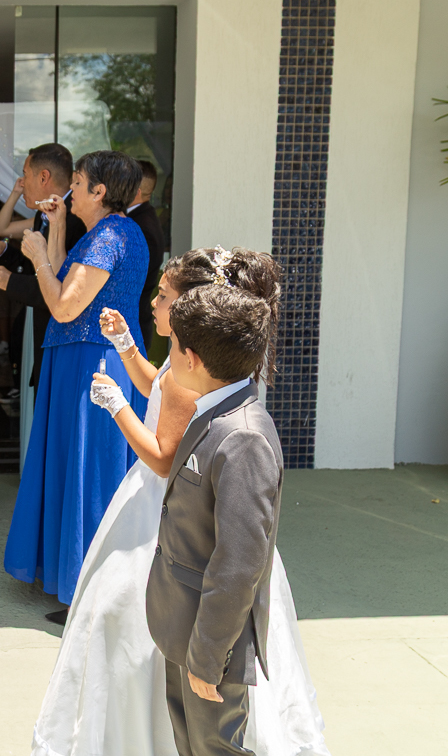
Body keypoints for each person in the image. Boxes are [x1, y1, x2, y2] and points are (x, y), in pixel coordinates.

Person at [31, 248, 329, 756]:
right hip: (177, 540)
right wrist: (128, 350)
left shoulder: (238, 432)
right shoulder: (196, 362)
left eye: (164, 296)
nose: (154, 302)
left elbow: (170, 465)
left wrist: (118, 407)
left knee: (202, 715)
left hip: (186, 539)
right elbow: (163, 387)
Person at [146, 278, 292, 756]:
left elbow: (239, 565)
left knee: (214, 747)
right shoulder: (214, 412)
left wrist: (207, 658)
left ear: (192, 359)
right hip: (181, 622)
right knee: (190, 745)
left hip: (211, 643)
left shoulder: (242, 437)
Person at [2, 150, 148, 621]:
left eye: (79, 183)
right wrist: (57, 228)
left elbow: (63, 306)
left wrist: (39, 256)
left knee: (91, 471)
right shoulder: (108, 234)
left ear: (100, 192)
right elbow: (69, 279)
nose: (71, 189)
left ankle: (93, 589)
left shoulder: (110, 236)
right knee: (76, 466)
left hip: (94, 364)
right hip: (81, 361)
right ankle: (75, 573)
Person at [0, 144, 85, 390]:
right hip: (39, 330)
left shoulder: (76, 220)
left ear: (44, 177)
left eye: (26, 174)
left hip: (59, 338)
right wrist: (4, 251)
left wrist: (9, 281)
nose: (23, 182)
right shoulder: (44, 213)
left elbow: (61, 286)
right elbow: (33, 266)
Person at [126, 159, 166, 346]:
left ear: (136, 191)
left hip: (131, 328)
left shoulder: (143, 227)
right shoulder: (139, 219)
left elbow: (132, 283)